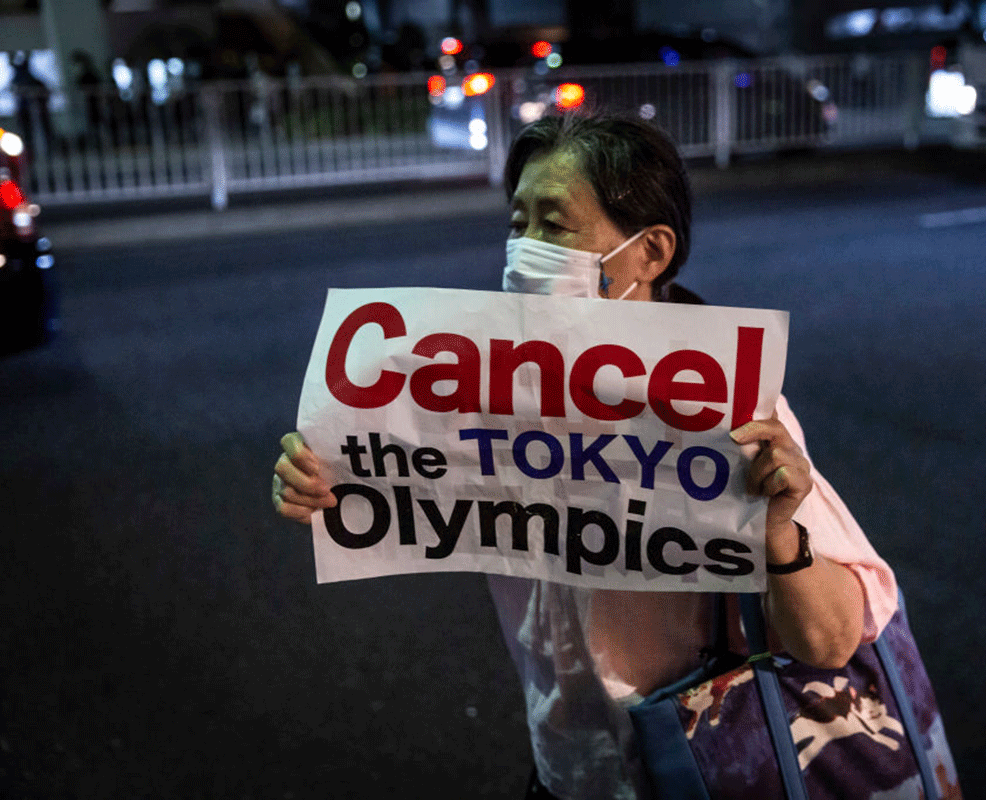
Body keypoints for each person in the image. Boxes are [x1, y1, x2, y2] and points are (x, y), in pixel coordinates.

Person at [272, 112, 898, 800]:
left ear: (650, 252)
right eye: (518, 223)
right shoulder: (486, 389)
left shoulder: (729, 408)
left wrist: (777, 530)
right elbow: (417, 498)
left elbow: (833, 639)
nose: (525, 249)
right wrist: (334, 483)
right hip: (569, 768)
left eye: (555, 225)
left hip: (703, 766)